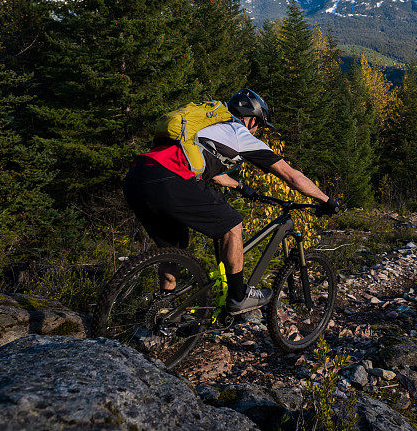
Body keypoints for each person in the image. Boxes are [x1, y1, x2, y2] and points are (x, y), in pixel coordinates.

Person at [123, 89, 339, 314]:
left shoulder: (207, 128)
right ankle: (238, 296)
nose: (257, 132)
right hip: (170, 178)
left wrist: (241, 187)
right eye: (259, 127)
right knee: (232, 223)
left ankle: (162, 313)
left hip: (137, 177)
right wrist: (325, 199)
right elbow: (292, 176)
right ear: (252, 120)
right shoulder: (239, 133)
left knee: (172, 251)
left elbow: (209, 169)